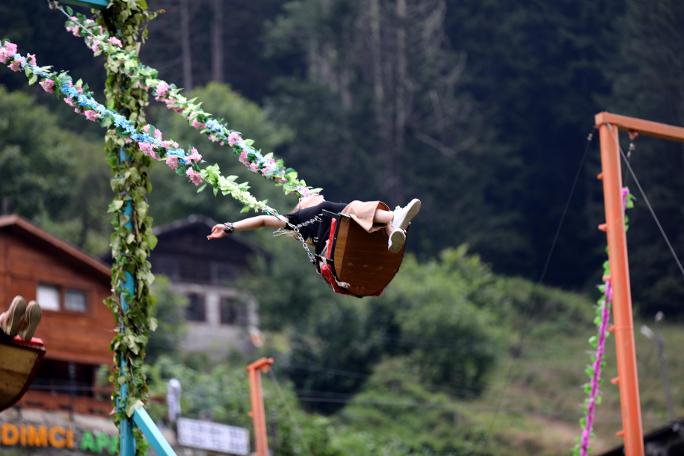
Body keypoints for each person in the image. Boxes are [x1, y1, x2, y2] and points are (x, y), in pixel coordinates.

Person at [207, 196, 421, 254]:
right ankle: (396, 216)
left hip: (352, 224)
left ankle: (395, 230)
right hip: (337, 233)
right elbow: (262, 220)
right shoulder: (295, 221)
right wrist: (230, 226)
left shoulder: (319, 202)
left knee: (363, 213)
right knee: (356, 208)